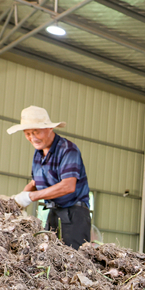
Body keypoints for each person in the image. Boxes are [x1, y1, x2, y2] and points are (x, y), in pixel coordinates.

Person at [7, 106, 91, 250]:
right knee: (50, 257)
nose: (32, 138)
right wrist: (18, 200)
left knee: (72, 260)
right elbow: (35, 182)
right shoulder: (38, 153)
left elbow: (68, 186)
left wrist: (31, 197)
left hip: (74, 215)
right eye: (27, 133)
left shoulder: (67, 150)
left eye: (36, 132)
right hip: (54, 212)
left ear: (49, 129)